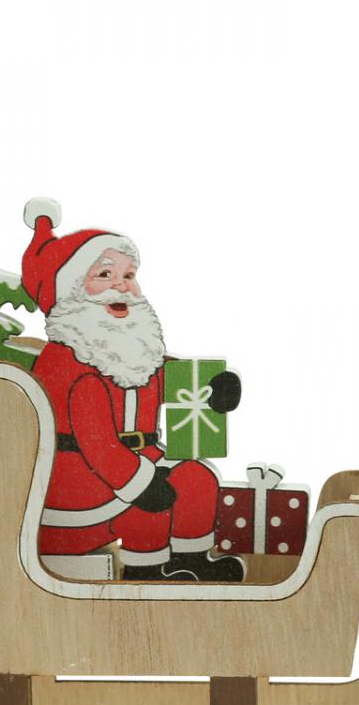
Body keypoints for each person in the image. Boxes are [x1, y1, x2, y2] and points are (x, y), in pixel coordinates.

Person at [20, 197, 244, 582]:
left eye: (128, 275)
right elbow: (97, 445)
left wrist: (212, 386)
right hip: (83, 487)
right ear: (71, 290)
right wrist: (139, 483)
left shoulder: (129, 348)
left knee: (197, 478)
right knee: (148, 501)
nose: (120, 286)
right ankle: (146, 572)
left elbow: (163, 376)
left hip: (137, 463)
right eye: (104, 274)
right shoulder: (68, 363)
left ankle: (190, 560)